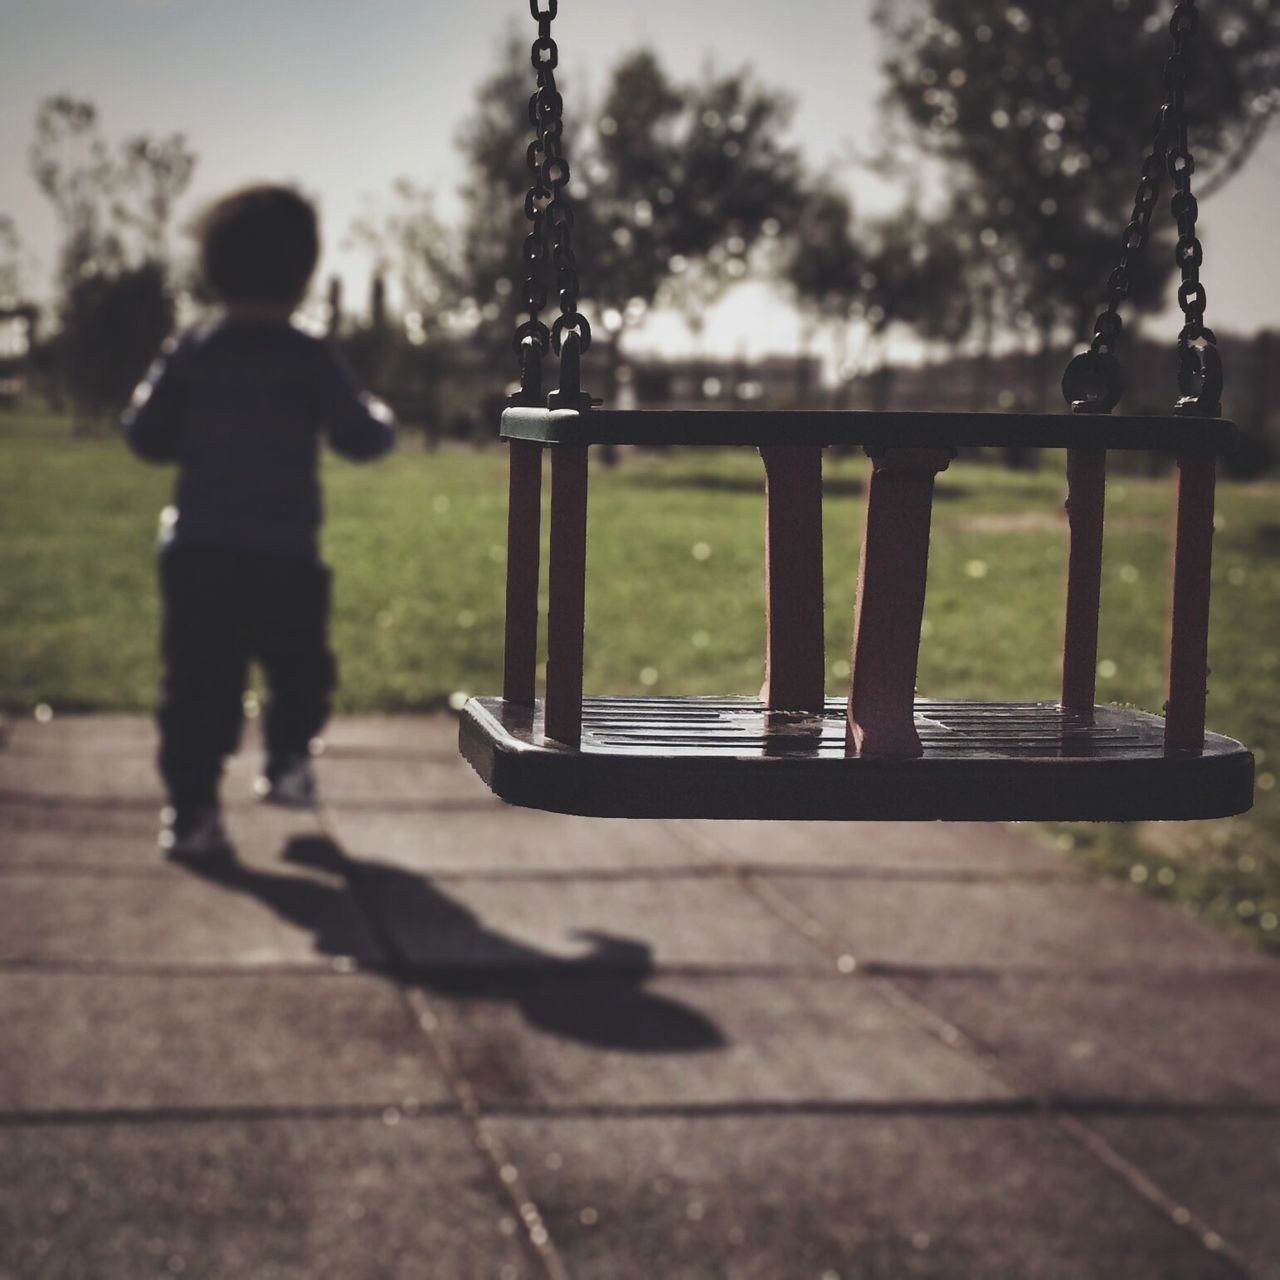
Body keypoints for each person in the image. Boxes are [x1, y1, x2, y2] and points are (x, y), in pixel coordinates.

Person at [122, 184, 395, 859]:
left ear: (212, 267)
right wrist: (385, 421)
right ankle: (286, 762)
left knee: (196, 684)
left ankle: (192, 814)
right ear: (304, 273)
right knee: (300, 669)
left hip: (198, 552)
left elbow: (145, 435)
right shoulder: (308, 355)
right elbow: (361, 434)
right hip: (285, 556)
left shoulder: (191, 350)